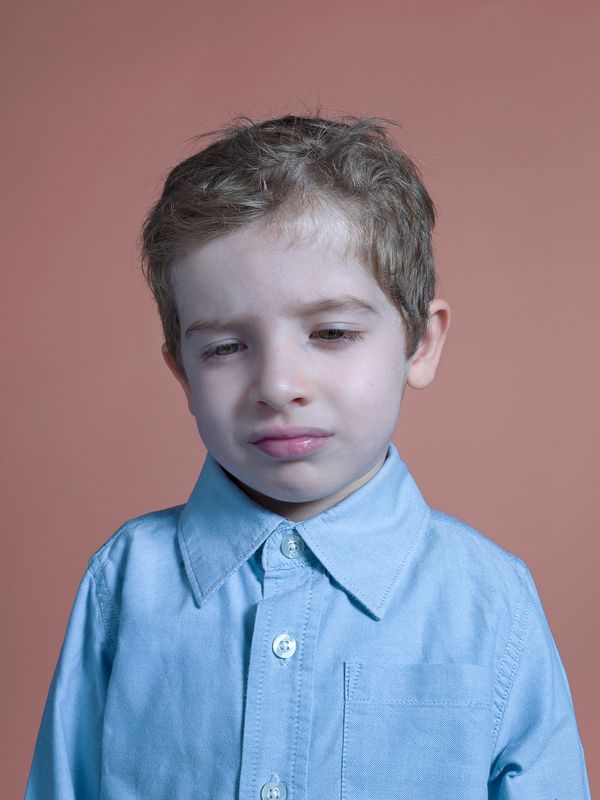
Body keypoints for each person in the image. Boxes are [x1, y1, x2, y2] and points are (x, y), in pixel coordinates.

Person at [25, 114, 591, 799]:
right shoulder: (124, 583)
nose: (278, 386)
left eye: (330, 332)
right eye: (226, 348)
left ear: (421, 344)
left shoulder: (490, 601)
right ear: (182, 373)